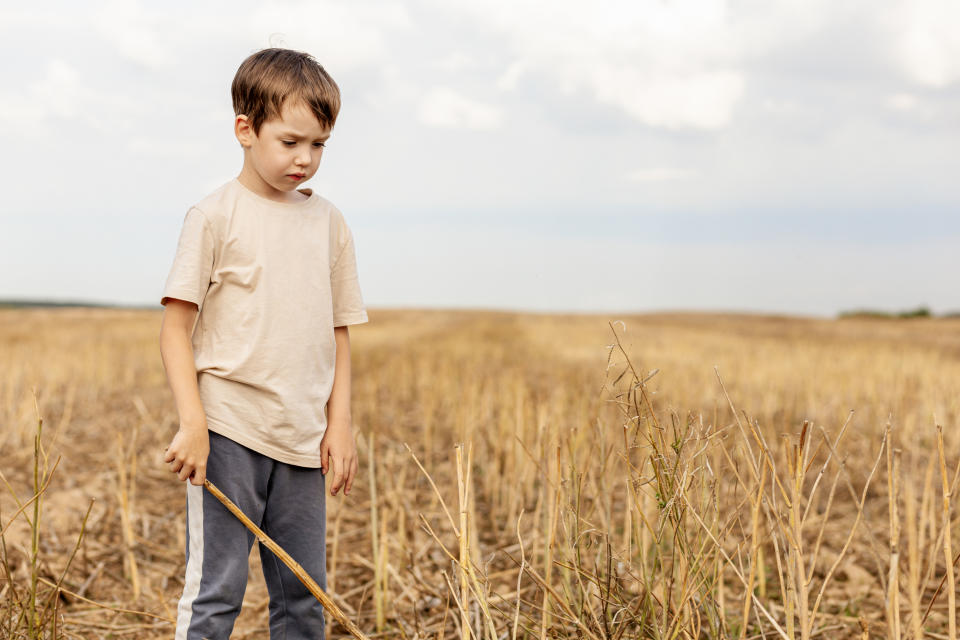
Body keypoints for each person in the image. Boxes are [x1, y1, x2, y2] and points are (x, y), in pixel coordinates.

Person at [158, 47, 368, 640]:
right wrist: (193, 423)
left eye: (319, 145)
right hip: (229, 430)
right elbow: (176, 330)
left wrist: (340, 423)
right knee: (217, 591)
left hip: (303, 438)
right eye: (291, 142)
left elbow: (339, 330)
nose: (306, 159)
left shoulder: (329, 223)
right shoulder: (213, 217)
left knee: (304, 596)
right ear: (245, 130)